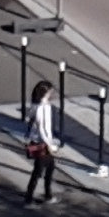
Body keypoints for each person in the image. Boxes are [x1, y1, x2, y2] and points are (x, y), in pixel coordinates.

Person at [23, 76, 64, 204]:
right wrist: (50, 144)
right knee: (39, 171)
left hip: (41, 141)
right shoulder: (41, 107)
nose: (52, 94)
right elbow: (42, 128)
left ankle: (47, 195)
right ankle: (30, 198)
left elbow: (30, 119)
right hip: (41, 143)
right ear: (45, 93)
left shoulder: (38, 106)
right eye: (50, 92)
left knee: (49, 168)